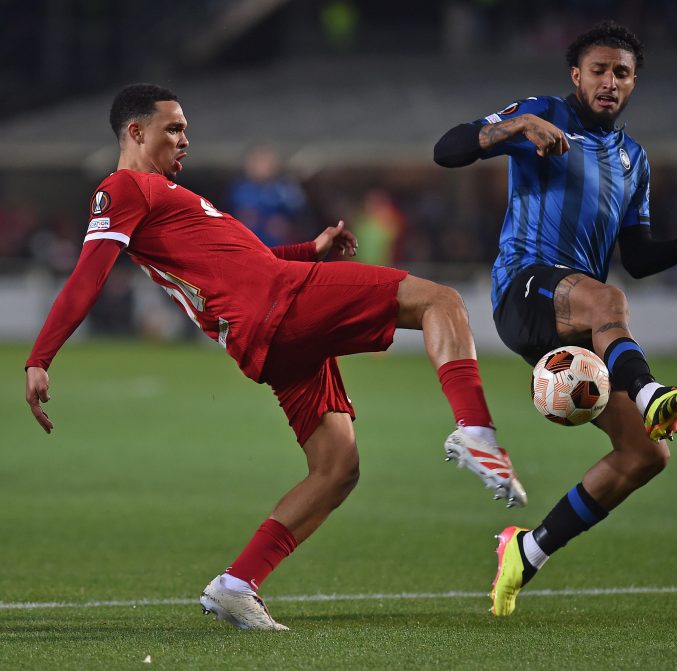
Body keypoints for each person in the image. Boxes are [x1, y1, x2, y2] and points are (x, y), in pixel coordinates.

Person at [24, 83, 527, 631]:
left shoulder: (167, 198)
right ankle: (475, 430)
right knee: (442, 301)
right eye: (174, 128)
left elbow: (247, 261)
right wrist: (40, 357)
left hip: (269, 321)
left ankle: (237, 586)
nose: (186, 139)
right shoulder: (124, 188)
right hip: (279, 306)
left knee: (337, 468)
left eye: (186, 128)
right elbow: (87, 276)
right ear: (135, 132)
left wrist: (306, 251)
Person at [433, 21, 677, 616]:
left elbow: (636, 256)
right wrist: (515, 127)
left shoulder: (634, 160)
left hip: (573, 313)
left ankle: (528, 551)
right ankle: (652, 390)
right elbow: (446, 150)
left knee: (645, 456)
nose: (610, 82)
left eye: (622, 73)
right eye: (599, 70)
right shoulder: (542, 113)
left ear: (634, 82)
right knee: (607, 301)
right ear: (576, 75)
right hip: (524, 287)